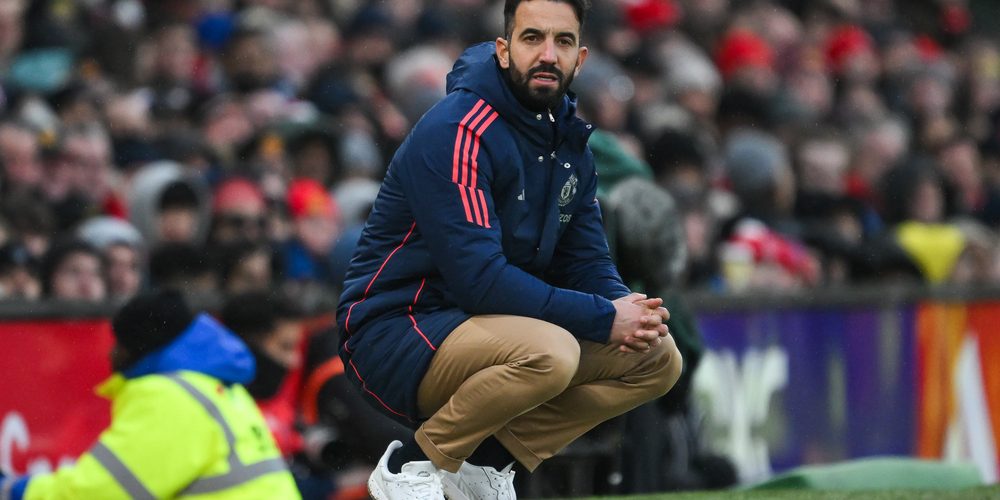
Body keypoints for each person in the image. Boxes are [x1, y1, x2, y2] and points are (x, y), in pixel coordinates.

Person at [336, 1, 682, 498]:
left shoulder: (568, 143)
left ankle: (487, 464)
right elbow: (480, 281)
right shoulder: (457, 129)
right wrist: (604, 318)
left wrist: (629, 311)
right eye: (531, 38)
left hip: (491, 330)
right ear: (503, 50)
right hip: (395, 328)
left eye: (562, 42)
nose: (547, 54)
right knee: (552, 352)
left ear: (580, 58)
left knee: (656, 357)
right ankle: (411, 463)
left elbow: (586, 261)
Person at [0, 288, 300, 499]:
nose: (111, 353)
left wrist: (18, 490)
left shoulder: (169, 395)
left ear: (139, 347)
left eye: (117, 342)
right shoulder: (213, 386)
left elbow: (100, 492)